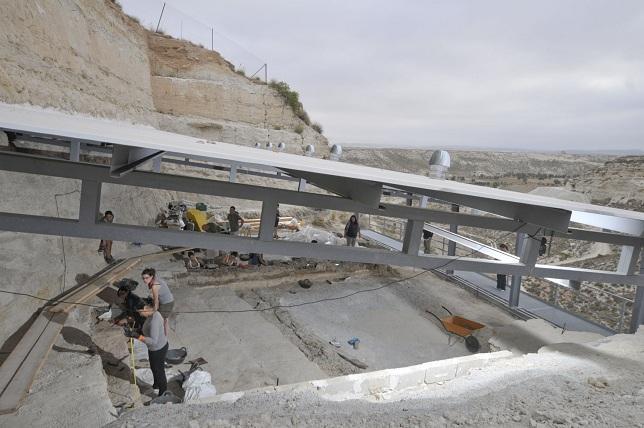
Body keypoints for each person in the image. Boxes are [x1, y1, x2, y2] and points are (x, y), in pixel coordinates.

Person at [124, 301, 168, 396]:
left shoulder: (154, 321)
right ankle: (156, 385)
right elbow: (146, 330)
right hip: (154, 349)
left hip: (158, 349)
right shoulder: (151, 315)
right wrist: (135, 331)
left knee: (159, 371)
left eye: (140, 311)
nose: (139, 314)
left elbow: (153, 341)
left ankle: (163, 392)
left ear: (145, 308)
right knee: (153, 367)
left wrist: (137, 336)